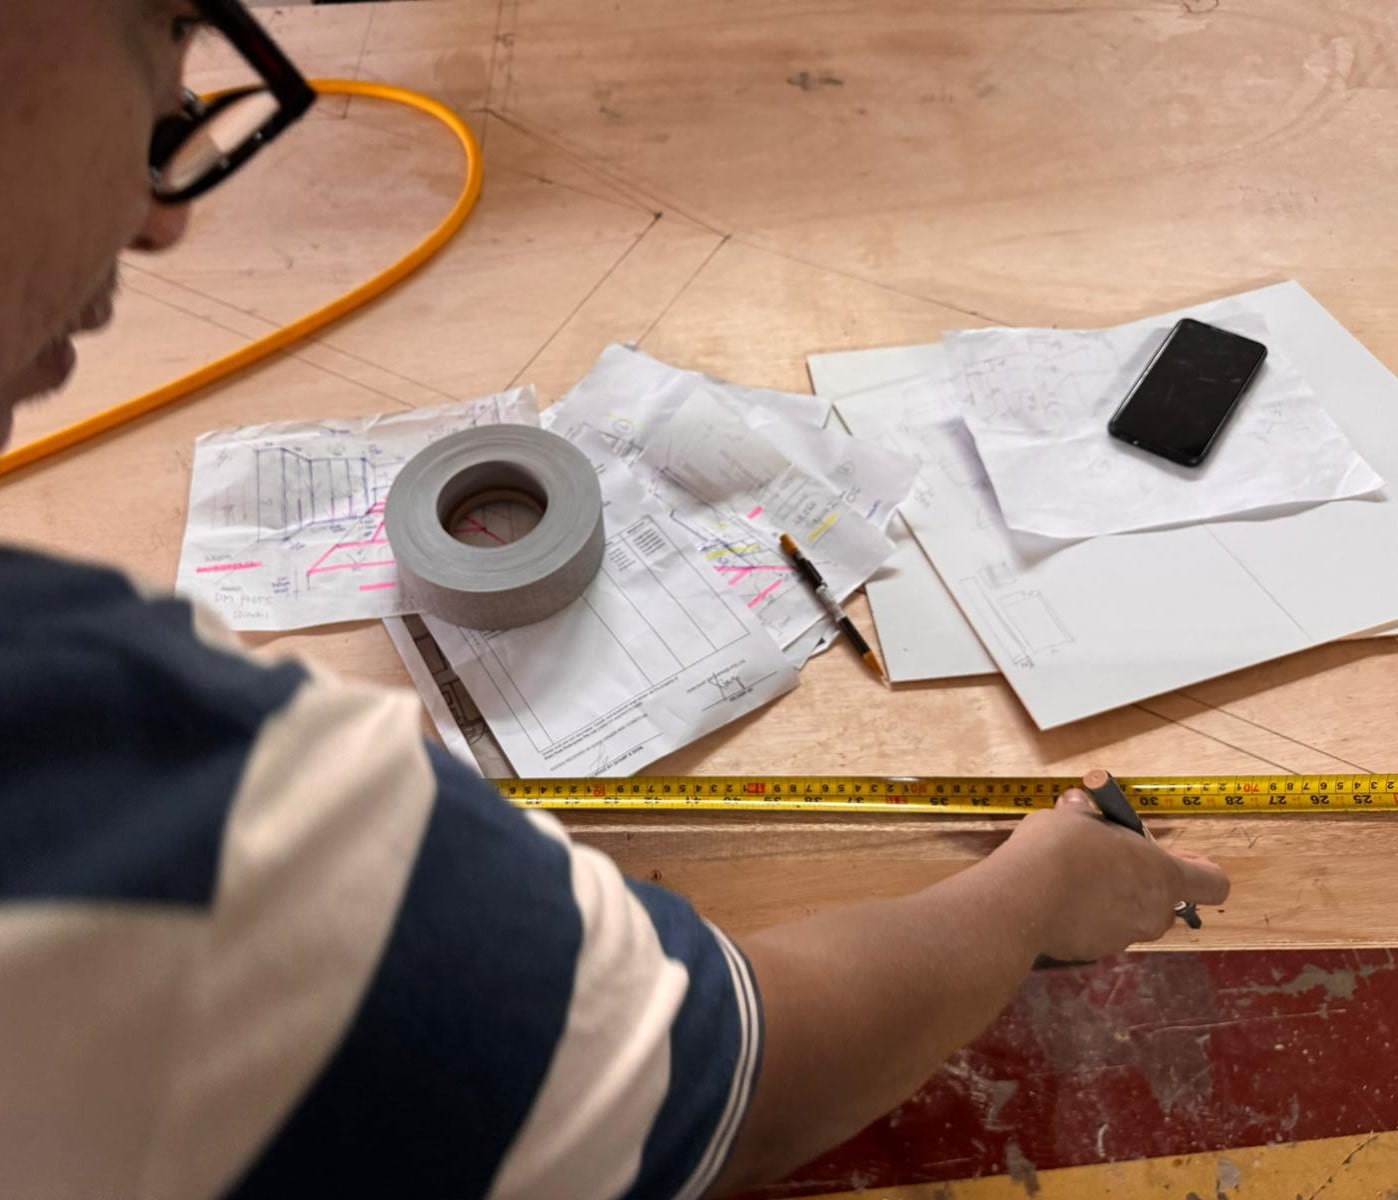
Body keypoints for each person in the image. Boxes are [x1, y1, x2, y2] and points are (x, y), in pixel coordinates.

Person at [0, 3, 1231, 1198]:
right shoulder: (177, 795)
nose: (172, 182)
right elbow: (735, 1076)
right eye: (170, 27)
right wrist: (1033, 897)